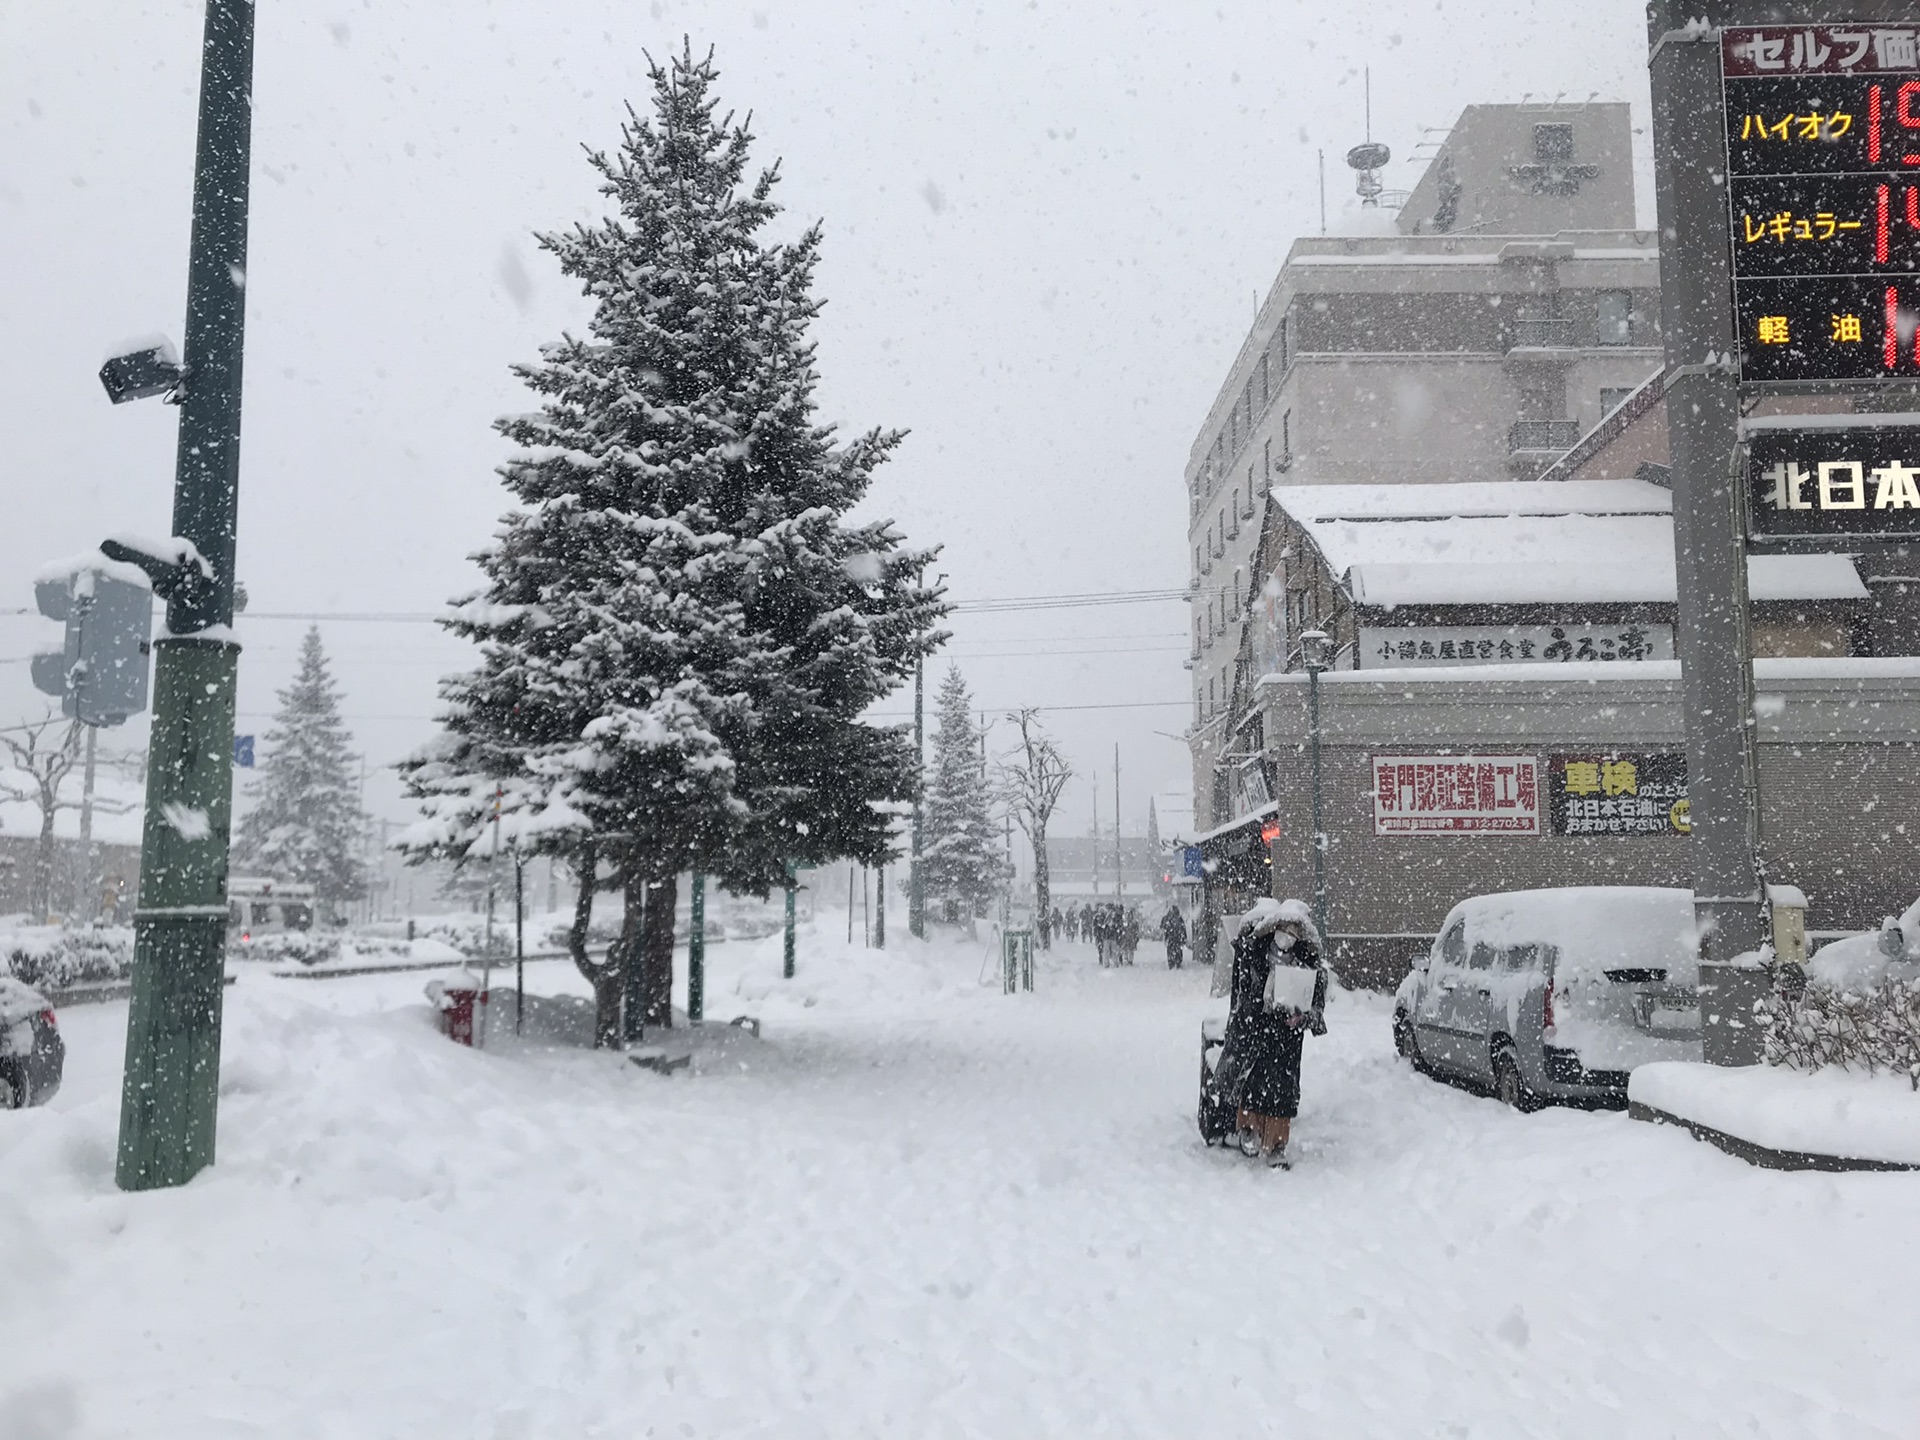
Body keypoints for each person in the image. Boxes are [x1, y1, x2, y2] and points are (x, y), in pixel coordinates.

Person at [1223, 898, 1328, 1169]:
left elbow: (1317, 1009)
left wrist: (1303, 1016)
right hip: (1258, 1030)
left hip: (1288, 1038)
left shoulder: (1310, 965)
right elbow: (1243, 993)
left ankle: (1277, 1144)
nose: (1287, 937)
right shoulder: (1254, 954)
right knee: (1253, 1081)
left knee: (1282, 1090)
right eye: (1283, 929)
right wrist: (1257, 1009)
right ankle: (1249, 1129)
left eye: (1293, 932)